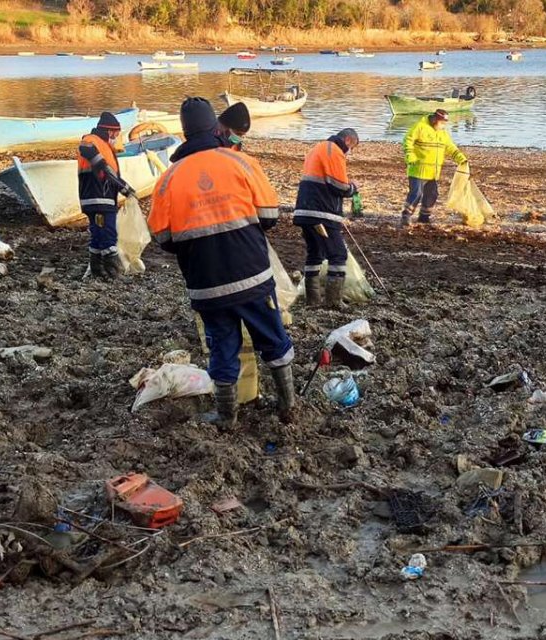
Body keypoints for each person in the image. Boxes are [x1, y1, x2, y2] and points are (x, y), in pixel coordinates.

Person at [148, 97, 295, 427]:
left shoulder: (169, 179)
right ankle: (288, 407)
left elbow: (163, 238)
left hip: (206, 285)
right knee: (273, 338)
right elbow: (269, 216)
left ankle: (226, 416)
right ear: (216, 128)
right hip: (253, 277)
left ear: (185, 133)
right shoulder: (241, 163)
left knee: (222, 346)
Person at [293, 128, 359, 309]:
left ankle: (313, 299)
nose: (350, 151)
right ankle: (333, 301)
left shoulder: (318, 148)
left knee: (315, 253)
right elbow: (339, 186)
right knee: (338, 254)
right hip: (322, 212)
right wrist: (353, 187)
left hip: (305, 211)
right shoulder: (334, 151)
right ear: (347, 140)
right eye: (352, 147)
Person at [77, 112, 136, 279]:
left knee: (98, 234)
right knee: (108, 233)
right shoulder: (92, 140)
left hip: (97, 199)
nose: (116, 138)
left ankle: (96, 270)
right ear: (109, 131)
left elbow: (110, 174)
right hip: (99, 199)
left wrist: (125, 188)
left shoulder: (103, 145)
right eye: (116, 134)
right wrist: (123, 187)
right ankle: (112, 271)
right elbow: (88, 150)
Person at [401, 109, 467, 227]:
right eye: (442, 123)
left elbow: (450, 147)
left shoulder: (443, 133)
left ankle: (424, 217)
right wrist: (410, 156)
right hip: (417, 169)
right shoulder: (420, 127)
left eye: (445, 123)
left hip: (433, 172)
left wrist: (461, 159)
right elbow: (407, 140)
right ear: (435, 119)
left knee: (432, 194)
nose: (443, 125)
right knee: (416, 193)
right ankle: (406, 216)